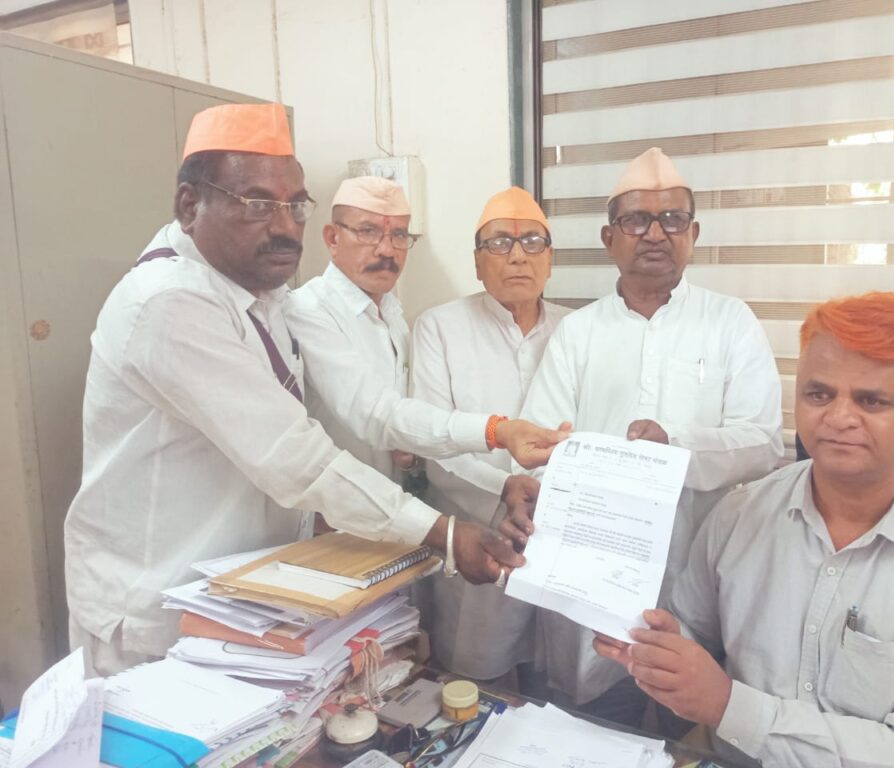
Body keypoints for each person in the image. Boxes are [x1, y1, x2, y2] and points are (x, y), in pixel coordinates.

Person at [63, 103, 566, 676]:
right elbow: (299, 457)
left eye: (294, 206)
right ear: (189, 204)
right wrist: (446, 533)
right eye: (257, 204)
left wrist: (493, 443)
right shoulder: (171, 303)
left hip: (254, 589)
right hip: (156, 606)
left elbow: (382, 419)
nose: (283, 226)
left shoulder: (268, 297)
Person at [595, 292, 894, 768]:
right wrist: (664, 648)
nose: (838, 418)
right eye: (819, 395)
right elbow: (695, 633)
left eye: (871, 400)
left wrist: (727, 705)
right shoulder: (737, 515)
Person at [507, 147, 783, 724]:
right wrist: (532, 485)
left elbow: (763, 444)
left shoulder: (730, 322)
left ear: (693, 234)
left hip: (700, 569)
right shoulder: (578, 333)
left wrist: (673, 448)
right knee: (600, 727)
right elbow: (539, 447)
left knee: (692, 725)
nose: (655, 233)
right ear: (609, 238)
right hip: (594, 578)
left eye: (672, 219)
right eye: (636, 220)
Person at [411, 187, 570, 684]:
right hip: (479, 537)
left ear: (550, 259)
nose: (518, 255)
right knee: (477, 685)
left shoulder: (577, 329)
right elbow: (433, 444)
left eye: (532, 242)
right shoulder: (439, 327)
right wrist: (503, 490)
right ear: (478, 263)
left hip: (560, 537)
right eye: (499, 243)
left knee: (556, 681)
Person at [285, 177, 423, 483]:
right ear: (333, 238)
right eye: (368, 231)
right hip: (332, 505)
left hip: (392, 502)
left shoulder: (394, 317)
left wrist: (411, 458)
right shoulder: (307, 310)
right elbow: (372, 413)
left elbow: (399, 428)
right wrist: (494, 431)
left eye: (399, 235)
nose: (386, 250)